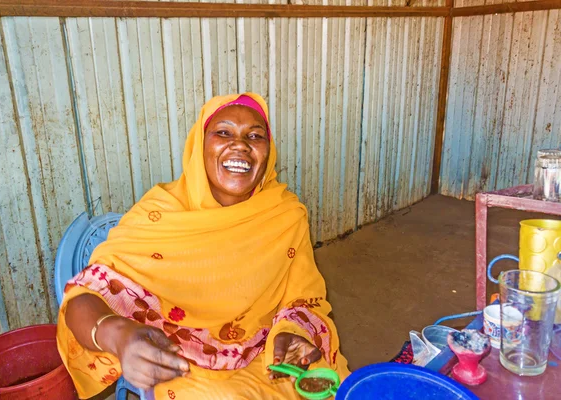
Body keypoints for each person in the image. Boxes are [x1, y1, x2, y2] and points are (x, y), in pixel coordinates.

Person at [57, 93, 349, 399]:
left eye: (255, 136)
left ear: (269, 151)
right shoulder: (159, 214)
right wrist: (118, 335)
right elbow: (83, 295)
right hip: (181, 358)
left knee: (334, 386)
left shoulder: (285, 213)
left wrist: (292, 333)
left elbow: (303, 295)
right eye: (223, 133)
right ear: (200, 145)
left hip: (270, 352)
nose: (241, 145)